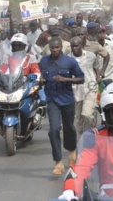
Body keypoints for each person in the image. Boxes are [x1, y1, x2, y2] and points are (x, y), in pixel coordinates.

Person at [39, 37, 85, 175]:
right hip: (52, 100)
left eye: (57, 47)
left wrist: (66, 79)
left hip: (67, 100)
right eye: (52, 48)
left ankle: (71, 152)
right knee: (53, 129)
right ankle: (58, 162)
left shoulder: (70, 62)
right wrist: (41, 80)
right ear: (49, 48)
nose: (55, 50)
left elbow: (81, 78)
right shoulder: (44, 61)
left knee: (69, 128)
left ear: (61, 48)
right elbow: (42, 76)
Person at [69, 37, 99, 138]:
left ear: (81, 45)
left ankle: (89, 134)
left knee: (87, 115)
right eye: (72, 46)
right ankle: (82, 139)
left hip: (90, 88)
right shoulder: (68, 59)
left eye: (76, 46)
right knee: (78, 119)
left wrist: (98, 77)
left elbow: (96, 67)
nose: (74, 48)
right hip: (76, 91)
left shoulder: (91, 56)